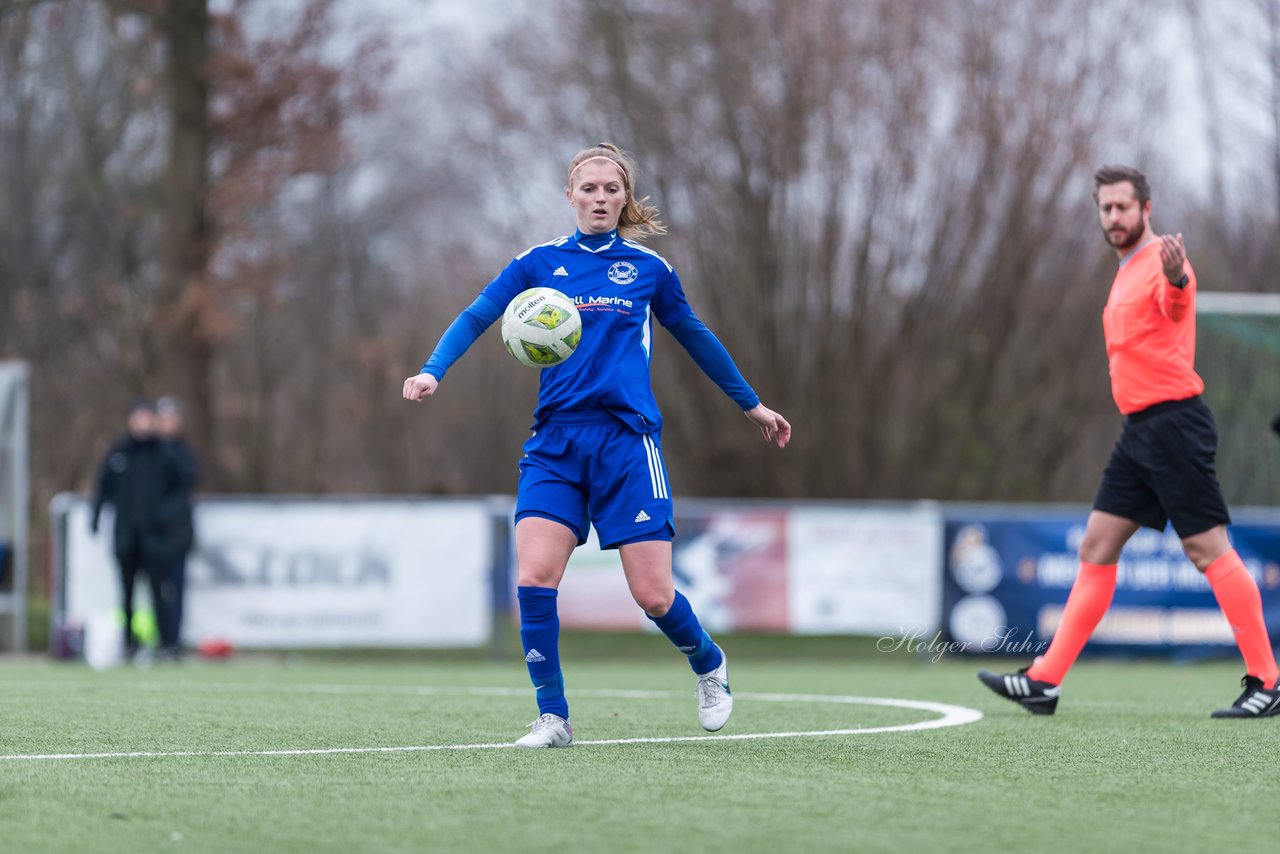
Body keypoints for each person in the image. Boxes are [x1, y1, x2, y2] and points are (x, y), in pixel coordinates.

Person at [402, 142, 791, 747]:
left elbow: (695, 335)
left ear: (625, 198)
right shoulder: (537, 264)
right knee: (533, 578)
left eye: (612, 189)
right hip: (555, 442)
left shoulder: (647, 270)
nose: (601, 198)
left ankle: (709, 663)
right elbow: (478, 315)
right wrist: (433, 370)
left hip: (627, 444)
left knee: (653, 594)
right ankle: (553, 717)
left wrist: (752, 404)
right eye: (589, 189)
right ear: (570, 197)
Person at [979, 165, 1280, 718]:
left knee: (1206, 549)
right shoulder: (1123, 270)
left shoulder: (1164, 262)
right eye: (1106, 208)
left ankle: (1268, 680)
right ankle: (1045, 680)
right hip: (1138, 431)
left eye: (1124, 206)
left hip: (1175, 427)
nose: (1114, 216)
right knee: (1096, 547)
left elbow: (1177, 300)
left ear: (1147, 208)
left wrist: (1178, 279)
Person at [90, 398, 187, 661]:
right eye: (139, 417)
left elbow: (182, 489)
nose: (143, 423)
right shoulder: (119, 452)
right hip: (125, 537)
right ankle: (128, 643)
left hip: (155, 539)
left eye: (148, 417)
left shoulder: (165, 454)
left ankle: (167, 644)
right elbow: (102, 487)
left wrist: (164, 518)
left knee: (160, 592)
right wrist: (95, 517)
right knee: (126, 594)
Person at [153, 396, 199, 660]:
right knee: (156, 590)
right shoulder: (148, 453)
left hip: (177, 533)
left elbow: (189, 481)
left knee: (177, 588)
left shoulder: (183, 452)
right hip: (154, 535)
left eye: (172, 418)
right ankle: (161, 641)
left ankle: (176, 641)